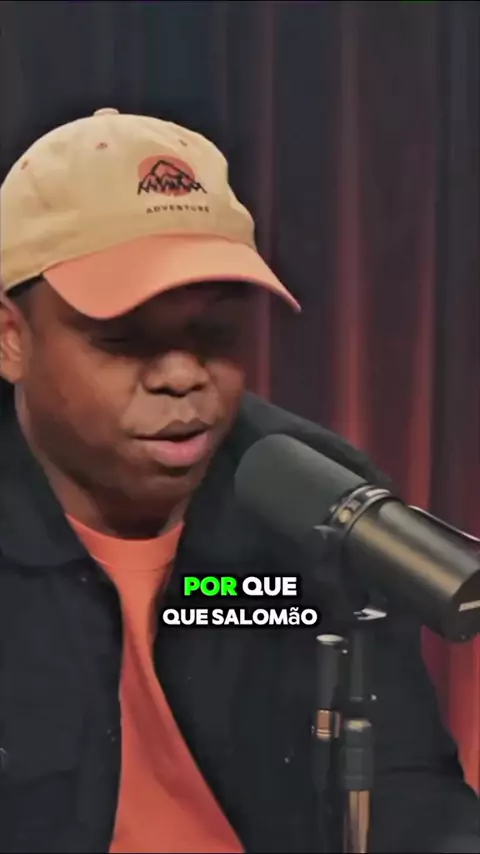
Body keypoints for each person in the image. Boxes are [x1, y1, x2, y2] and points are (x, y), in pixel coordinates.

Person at [0, 108, 478, 854]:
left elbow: (409, 796)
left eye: (215, 335)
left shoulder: (323, 504)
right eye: (126, 340)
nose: (183, 376)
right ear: (11, 339)